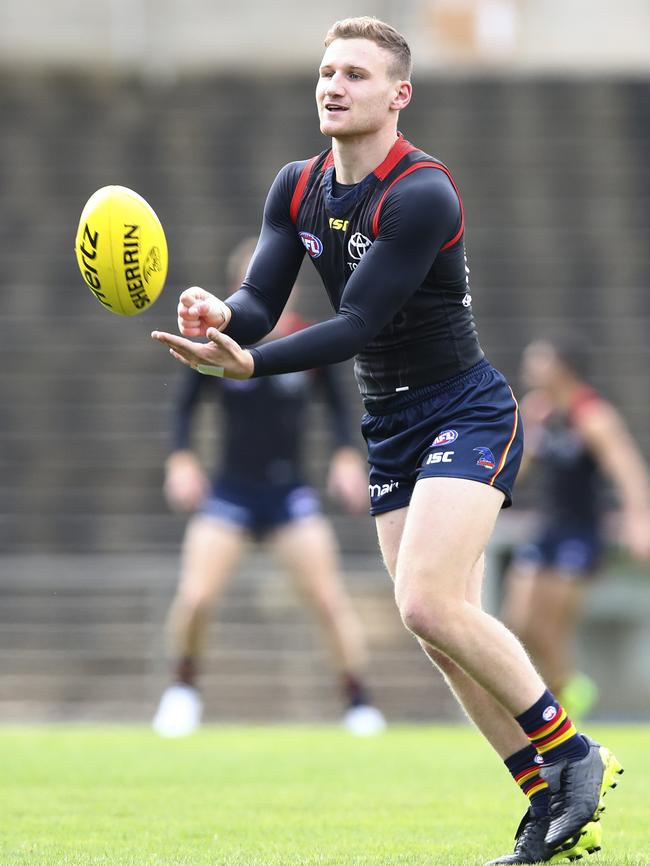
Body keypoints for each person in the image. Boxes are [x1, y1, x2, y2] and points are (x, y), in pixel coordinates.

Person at [151, 17, 623, 864]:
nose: (334, 86)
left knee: (425, 602)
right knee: (441, 634)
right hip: (390, 424)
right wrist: (224, 318)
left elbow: (359, 321)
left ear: (399, 94)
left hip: (465, 410)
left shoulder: (422, 192)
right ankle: (544, 797)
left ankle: (575, 754)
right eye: (327, 72)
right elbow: (261, 300)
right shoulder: (296, 186)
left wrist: (248, 365)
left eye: (357, 75)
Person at [153, 238, 386, 738]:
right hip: (231, 492)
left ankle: (358, 702)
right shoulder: (219, 346)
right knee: (195, 597)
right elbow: (185, 406)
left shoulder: (307, 344)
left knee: (328, 598)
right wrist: (182, 459)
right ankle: (183, 689)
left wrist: (347, 455)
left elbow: (342, 410)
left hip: (289, 495)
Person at [501, 338, 650, 720]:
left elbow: (629, 471)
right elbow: (523, 471)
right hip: (547, 526)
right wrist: (527, 433)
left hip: (581, 533)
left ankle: (561, 703)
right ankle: (567, 686)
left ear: (562, 368)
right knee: (520, 621)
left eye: (539, 361)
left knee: (551, 622)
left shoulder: (593, 415)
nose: (530, 368)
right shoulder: (542, 412)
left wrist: (638, 523)